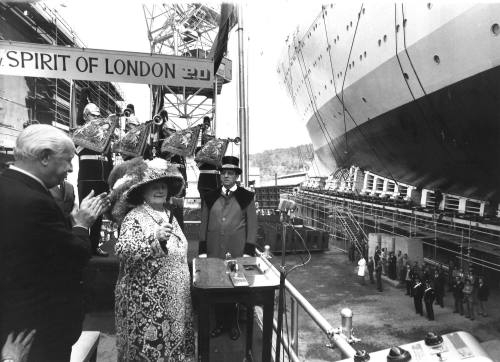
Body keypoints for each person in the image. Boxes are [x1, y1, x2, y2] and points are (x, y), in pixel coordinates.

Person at [0, 124, 108, 362]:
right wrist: (82, 224)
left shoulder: (10, 187)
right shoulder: (33, 201)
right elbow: (74, 255)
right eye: (67, 160)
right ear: (45, 157)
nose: (70, 168)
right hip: (38, 331)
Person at [112, 158, 195, 361]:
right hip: (148, 305)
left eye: (163, 186)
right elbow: (123, 250)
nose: (160, 190)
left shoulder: (169, 214)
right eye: (154, 186)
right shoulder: (135, 216)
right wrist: (153, 239)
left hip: (176, 300)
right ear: (143, 190)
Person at [198, 156, 258, 340]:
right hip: (214, 252)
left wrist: (248, 249)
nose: (226, 176)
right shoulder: (210, 196)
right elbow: (204, 223)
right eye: (223, 172)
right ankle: (219, 323)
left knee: (234, 286)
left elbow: (253, 225)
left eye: (230, 173)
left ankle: (233, 324)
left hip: (236, 252)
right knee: (216, 286)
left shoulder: (246, 196)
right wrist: (202, 249)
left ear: (236, 176)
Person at [77, 99, 113, 256]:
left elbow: (109, 158)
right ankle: (83, 247)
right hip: (87, 177)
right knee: (85, 213)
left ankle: (94, 246)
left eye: (98, 116)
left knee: (98, 214)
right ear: (86, 116)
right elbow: (77, 149)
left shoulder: (104, 135)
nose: (97, 118)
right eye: (93, 115)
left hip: (101, 178)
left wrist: (110, 179)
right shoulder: (80, 132)